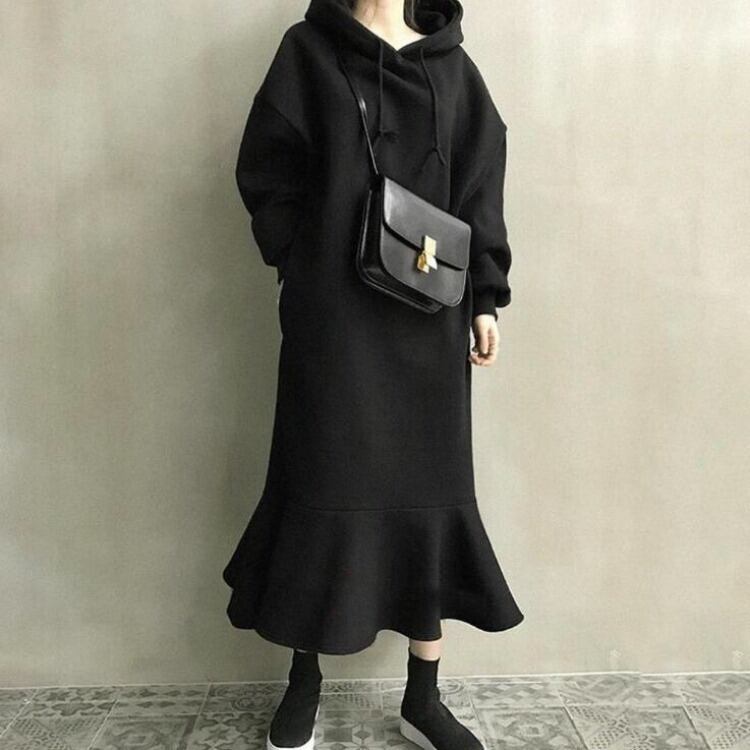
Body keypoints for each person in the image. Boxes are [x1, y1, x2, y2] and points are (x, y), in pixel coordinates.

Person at [222, 0, 525, 747]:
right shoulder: (307, 51)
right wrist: (303, 259)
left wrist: (485, 299)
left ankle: (424, 697)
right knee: (321, 483)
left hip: (429, 321)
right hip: (334, 324)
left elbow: (481, 186)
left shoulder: (453, 67)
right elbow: (266, 166)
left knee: (429, 494)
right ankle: (304, 681)